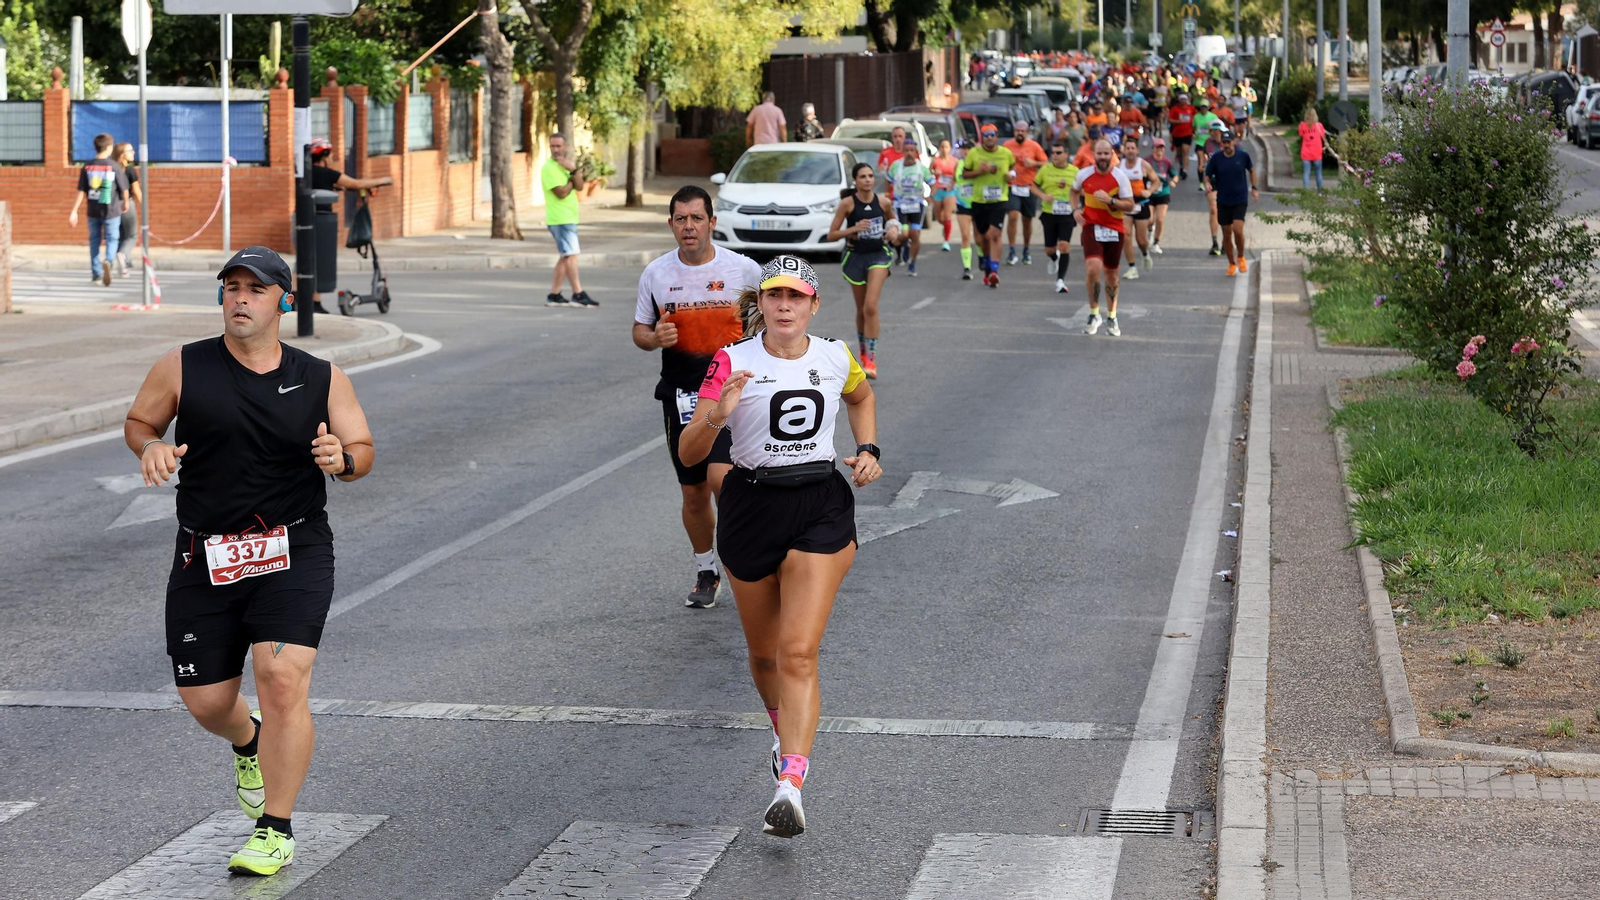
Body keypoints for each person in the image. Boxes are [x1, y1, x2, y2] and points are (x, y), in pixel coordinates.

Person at [124, 246, 374, 877]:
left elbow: (363, 449)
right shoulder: (183, 366)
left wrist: (339, 460)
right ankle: (247, 738)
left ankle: (276, 827)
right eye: (231, 287)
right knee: (206, 700)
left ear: (284, 301)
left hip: (293, 547)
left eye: (256, 290)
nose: (240, 298)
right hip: (204, 550)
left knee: (283, 677)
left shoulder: (321, 377)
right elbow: (138, 421)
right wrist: (151, 445)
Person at [678, 254, 880, 840]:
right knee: (765, 657)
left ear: (814, 304)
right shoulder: (730, 361)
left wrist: (870, 449)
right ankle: (781, 729)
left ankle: (790, 783)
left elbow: (861, 398)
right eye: (774, 296)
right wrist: (716, 415)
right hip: (749, 505)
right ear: (760, 304)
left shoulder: (835, 355)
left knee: (796, 653)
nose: (784, 306)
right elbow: (691, 456)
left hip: (819, 503)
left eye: (796, 296)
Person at [634, 186, 764, 608]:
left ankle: (746, 560)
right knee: (693, 492)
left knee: (724, 481)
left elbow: (773, 319)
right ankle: (706, 568)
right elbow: (639, 331)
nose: (688, 226)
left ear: (712, 221)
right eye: (680, 219)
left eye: (696, 218)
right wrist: (654, 338)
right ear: (670, 224)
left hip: (732, 393)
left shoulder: (743, 270)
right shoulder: (656, 274)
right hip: (682, 394)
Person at [826, 162, 901, 377]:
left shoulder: (884, 202)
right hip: (855, 257)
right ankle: (863, 353)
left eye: (870, 176)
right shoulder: (847, 204)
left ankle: (872, 360)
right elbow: (831, 235)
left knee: (870, 306)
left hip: (878, 255)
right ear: (855, 181)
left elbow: (894, 220)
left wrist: (894, 230)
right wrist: (853, 229)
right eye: (863, 176)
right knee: (861, 310)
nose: (867, 179)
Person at [308, 138, 395, 315]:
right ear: (325, 156)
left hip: (302, 220)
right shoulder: (327, 173)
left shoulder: (308, 173)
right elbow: (355, 183)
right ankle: (313, 303)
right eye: (331, 155)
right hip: (320, 223)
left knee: (307, 260)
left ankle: (307, 301)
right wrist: (383, 180)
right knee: (318, 261)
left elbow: (339, 187)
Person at [1071, 139, 1135, 337]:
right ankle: (1094, 313)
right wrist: (1075, 209)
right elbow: (1073, 191)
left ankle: (1112, 316)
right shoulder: (1084, 174)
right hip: (1091, 225)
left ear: (1112, 154)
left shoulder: (1120, 177)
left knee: (1111, 274)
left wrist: (1111, 201)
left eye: (1106, 154)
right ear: (1093, 155)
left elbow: (1130, 205)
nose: (1103, 157)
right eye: (1099, 154)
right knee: (1093, 268)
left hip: (1114, 227)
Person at [541, 133, 596, 308]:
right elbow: (562, 192)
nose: (555, 149)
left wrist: (572, 171)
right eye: (552, 146)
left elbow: (580, 186)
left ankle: (554, 294)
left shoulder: (566, 166)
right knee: (571, 255)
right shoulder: (548, 168)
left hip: (570, 217)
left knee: (566, 256)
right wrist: (572, 177)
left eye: (558, 146)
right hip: (559, 219)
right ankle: (578, 293)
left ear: (565, 147)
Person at [959, 123, 1015, 288]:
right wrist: (980, 172)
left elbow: (1013, 167)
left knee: (995, 234)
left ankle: (994, 272)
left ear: (997, 137)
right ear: (982, 138)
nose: (989, 137)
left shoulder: (1006, 153)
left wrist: (1011, 176)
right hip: (979, 201)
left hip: (999, 199)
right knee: (982, 238)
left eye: (992, 134)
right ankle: (986, 265)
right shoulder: (974, 153)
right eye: (986, 135)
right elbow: (965, 174)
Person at [68, 132, 125, 287]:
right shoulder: (114, 166)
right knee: (112, 239)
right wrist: (125, 202)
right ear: (108, 147)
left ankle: (96, 274)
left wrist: (74, 211)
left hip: (92, 210)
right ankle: (108, 261)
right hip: (111, 210)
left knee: (94, 241)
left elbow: (81, 191)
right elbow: (123, 188)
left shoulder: (87, 166)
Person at [1205, 129, 1258, 276]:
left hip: (1240, 198)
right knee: (1227, 233)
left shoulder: (1243, 156)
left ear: (1234, 142)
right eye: (1224, 142)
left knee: (1237, 229)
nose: (1227, 145)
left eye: (1229, 142)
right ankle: (1231, 263)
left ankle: (1241, 256)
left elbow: (1252, 170)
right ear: (1221, 144)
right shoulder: (1216, 158)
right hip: (1223, 200)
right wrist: (1208, 184)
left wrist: (1254, 188)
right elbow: (1207, 175)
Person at [1036, 141, 1080, 293]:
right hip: (1049, 213)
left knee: (1065, 245)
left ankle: (1060, 280)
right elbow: (1033, 185)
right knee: (1049, 249)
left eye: (1058, 152)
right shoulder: (1045, 169)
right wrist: (1042, 195)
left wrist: (1080, 206)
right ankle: (1054, 258)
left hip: (1067, 213)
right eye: (1052, 153)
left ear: (1066, 155)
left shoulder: (1075, 171)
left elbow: (1082, 189)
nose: (1054, 155)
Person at [1002, 120, 1047, 266]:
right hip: (1012, 185)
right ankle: (1012, 249)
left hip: (1029, 186)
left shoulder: (1034, 146)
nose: (1020, 133)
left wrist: (1034, 164)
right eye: (1017, 131)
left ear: (1027, 133)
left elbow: (1045, 163)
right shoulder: (1007, 145)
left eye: (1022, 131)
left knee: (1027, 220)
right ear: (1014, 132)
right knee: (1013, 216)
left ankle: (1026, 250)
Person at [887, 139, 933, 276]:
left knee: (915, 234)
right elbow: (887, 180)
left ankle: (912, 263)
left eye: (911, 150)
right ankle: (903, 246)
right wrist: (887, 194)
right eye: (906, 150)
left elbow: (933, 183)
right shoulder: (896, 166)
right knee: (904, 234)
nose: (909, 153)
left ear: (916, 152)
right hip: (901, 204)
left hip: (917, 205)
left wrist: (931, 196)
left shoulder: (921, 168)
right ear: (903, 152)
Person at [1117, 135, 1158, 281]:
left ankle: (1145, 254)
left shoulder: (1143, 165)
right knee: (1126, 235)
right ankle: (1132, 267)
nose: (1130, 151)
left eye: (1132, 148)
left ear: (1137, 150)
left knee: (1141, 240)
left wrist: (1150, 191)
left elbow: (1156, 181)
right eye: (1127, 148)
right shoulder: (1118, 166)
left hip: (1141, 204)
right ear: (1124, 151)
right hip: (1126, 205)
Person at [113, 142, 141, 277]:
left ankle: (124, 266)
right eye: (130, 150)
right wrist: (144, 206)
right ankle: (123, 255)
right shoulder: (129, 170)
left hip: (112, 205)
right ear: (122, 154)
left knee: (120, 235)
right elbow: (136, 190)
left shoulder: (112, 168)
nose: (133, 152)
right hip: (126, 204)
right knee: (132, 235)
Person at [1146, 138, 1176, 255]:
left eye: (1161, 148)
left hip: (1163, 192)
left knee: (1160, 219)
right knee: (1149, 219)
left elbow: (1174, 175)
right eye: (1157, 147)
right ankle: (1150, 229)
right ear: (1153, 149)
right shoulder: (1147, 161)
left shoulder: (1166, 162)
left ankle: (1156, 243)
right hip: (1149, 192)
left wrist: (1173, 181)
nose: (1159, 150)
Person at [930, 139, 960, 252]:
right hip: (938, 190)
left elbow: (958, 176)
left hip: (950, 191)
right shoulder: (935, 161)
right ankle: (945, 227)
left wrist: (952, 183)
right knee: (939, 218)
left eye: (946, 147)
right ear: (939, 148)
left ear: (950, 148)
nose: (944, 149)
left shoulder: (955, 161)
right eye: (942, 147)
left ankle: (946, 241)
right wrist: (934, 173)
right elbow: (928, 174)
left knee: (947, 216)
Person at [953, 143, 977, 280]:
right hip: (962, 204)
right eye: (964, 150)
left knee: (980, 238)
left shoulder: (978, 164)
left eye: (969, 149)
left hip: (977, 203)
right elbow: (954, 179)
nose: (966, 152)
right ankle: (967, 267)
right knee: (965, 236)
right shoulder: (959, 164)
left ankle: (981, 257)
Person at [1167, 93, 1197, 181]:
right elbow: (1170, 120)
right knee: (1179, 153)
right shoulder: (1175, 109)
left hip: (1188, 133)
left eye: (1185, 99)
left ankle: (1185, 170)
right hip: (1177, 134)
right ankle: (1181, 165)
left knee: (1185, 151)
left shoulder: (1191, 108)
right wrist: (1178, 121)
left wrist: (1195, 130)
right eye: (1182, 99)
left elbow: (1196, 118)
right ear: (1179, 100)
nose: (1183, 101)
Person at [1299, 107, 1327, 191]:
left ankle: (1306, 192)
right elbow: (1323, 136)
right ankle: (1320, 192)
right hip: (1317, 153)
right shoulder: (1319, 125)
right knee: (1318, 173)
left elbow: (1301, 135)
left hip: (1306, 153)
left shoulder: (1303, 126)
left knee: (1306, 173)